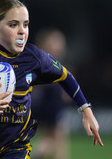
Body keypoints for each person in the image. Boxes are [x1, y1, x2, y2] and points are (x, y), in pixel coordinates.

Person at [0, 0, 103, 159]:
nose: (22, 31)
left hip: (16, 146)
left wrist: (86, 110)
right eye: (13, 25)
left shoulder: (34, 57)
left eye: (26, 24)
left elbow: (65, 76)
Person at [31, 28, 71, 159]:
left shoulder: (38, 60)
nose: (60, 46)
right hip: (49, 100)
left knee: (55, 135)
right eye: (57, 42)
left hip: (44, 100)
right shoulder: (47, 61)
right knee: (58, 135)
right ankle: (39, 154)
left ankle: (40, 153)